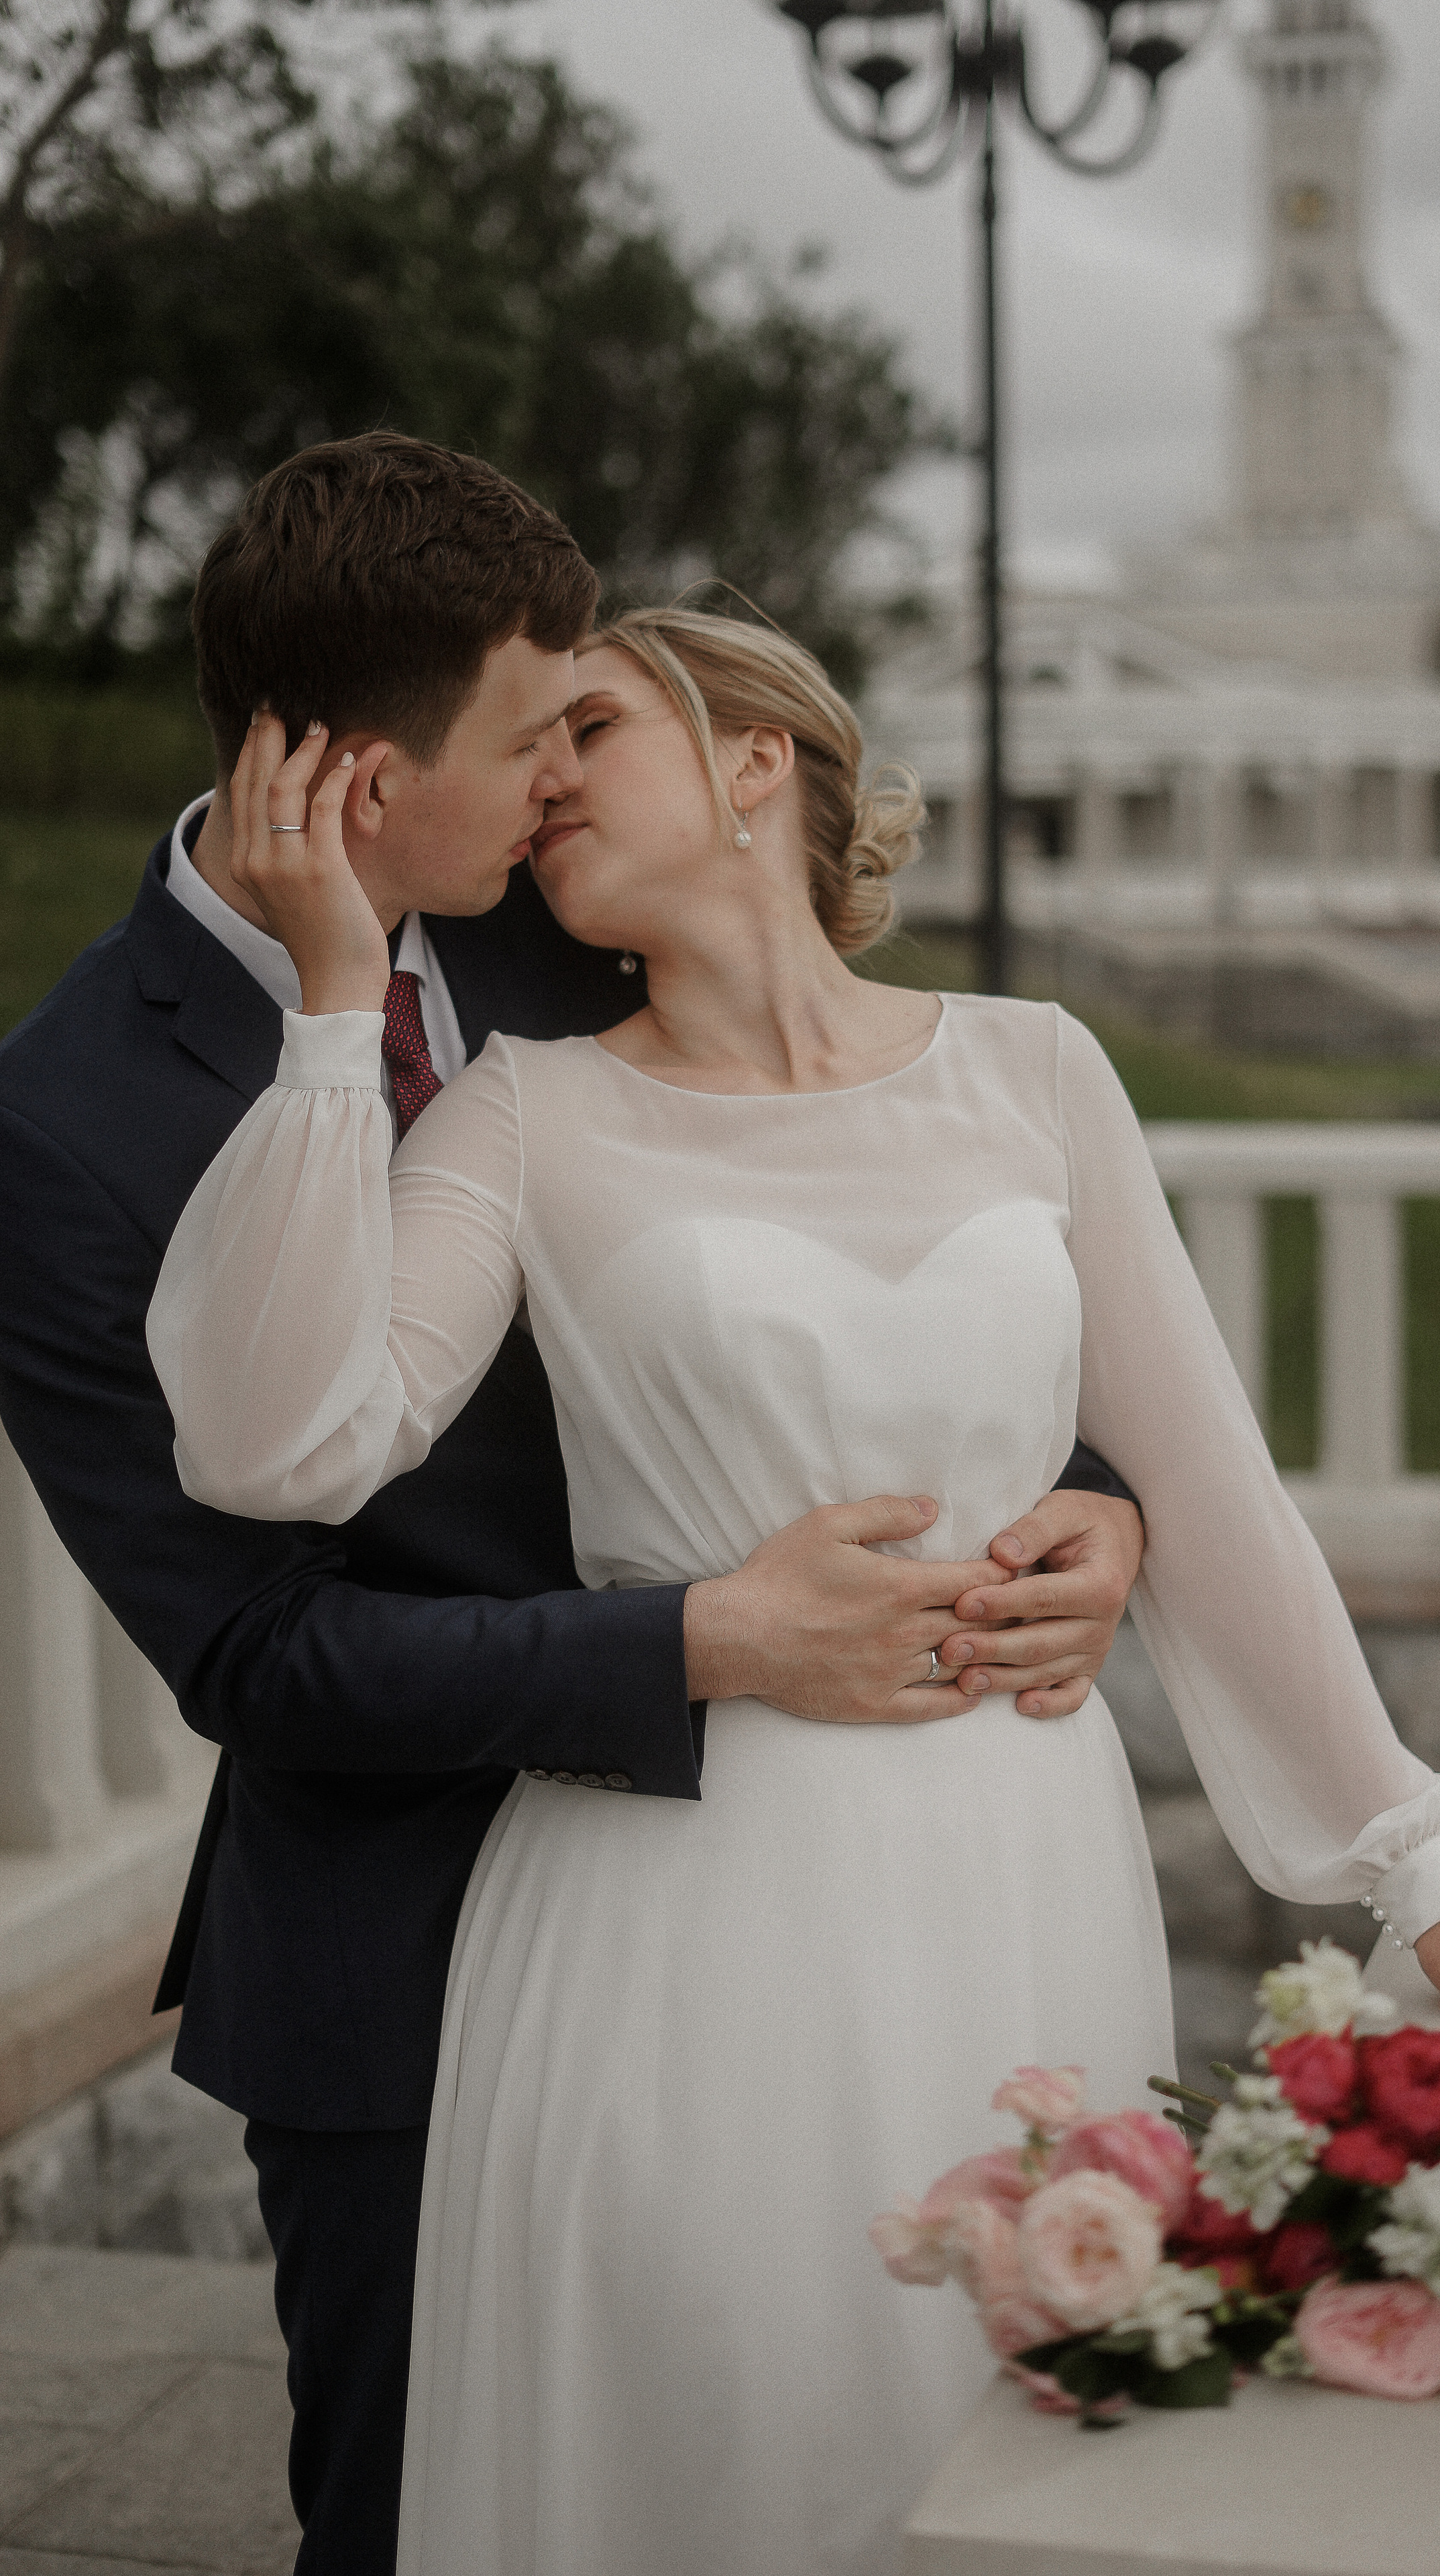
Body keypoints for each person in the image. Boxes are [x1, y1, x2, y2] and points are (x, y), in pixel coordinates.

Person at [147, 602, 1440, 2575]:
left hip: (1019, 1866)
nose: (545, 778)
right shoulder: (528, 1112)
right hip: (676, 1909)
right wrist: (336, 1012)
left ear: (756, 760)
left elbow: (1206, 1484)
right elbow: (280, 1448)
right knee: (719, 2427)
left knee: (1006, 2412)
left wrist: (1421, 1878)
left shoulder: (1038, 1070)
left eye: (593, 724)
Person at [0, 435, 1149, 2576]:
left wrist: (1098, 1509)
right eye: (536, 733)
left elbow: (861, 1253)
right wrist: (704, 1643)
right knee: (442, 2515)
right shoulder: (62, 1127)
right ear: (351, 777)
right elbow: (254, 1643)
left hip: (805, 1914)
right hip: (397, 1963)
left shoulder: (565, 935)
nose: (565, 781)